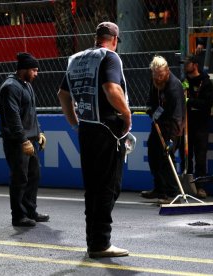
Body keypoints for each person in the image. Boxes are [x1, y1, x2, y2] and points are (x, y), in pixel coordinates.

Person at [58, 22, 131, 258]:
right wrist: (127, 114)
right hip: (107, 130)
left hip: (87, 129)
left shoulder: (76, 59)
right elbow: (111, 88)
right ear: (115, 39)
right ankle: (101, 243)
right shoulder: (110, 57)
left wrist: (74, 124)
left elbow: (63, 95)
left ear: (96, 36)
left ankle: (94, 241)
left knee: (93, 188)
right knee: (109, 187)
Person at [0, 52, 49, 227]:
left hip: (30, 139)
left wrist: (38, 132)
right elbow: (13, 118)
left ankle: (30, 211)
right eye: (34, 70)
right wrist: (23, 140)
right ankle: (19, 216)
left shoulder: (26, 84)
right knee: (20, 178)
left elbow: (30, 113)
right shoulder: (10, 87)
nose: (36, 73)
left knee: (34, 175)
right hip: (17, 142)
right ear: (23, 69)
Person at [141, 56, 185, 201]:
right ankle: (159, 189)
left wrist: (172, 139)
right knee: (153, 155)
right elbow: (151, 101)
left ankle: (172, 193)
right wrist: (151, 110)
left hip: (173, 127)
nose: (158, 78)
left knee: (167, 159)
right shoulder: (155, 81)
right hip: (158, 124)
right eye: (155, 74)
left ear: (167, 71)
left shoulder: (174, 86)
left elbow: (177, 115)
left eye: (160, 74)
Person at [179, 55, 213, 198]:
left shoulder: (206, 83)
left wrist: (189, 101)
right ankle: (186, 185)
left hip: (201, 125)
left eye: (187, 63)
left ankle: (200, 187)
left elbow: (207, 104)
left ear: (195, 65)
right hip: (186, 124)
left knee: (200, 157)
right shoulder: (183, 82)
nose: (185, 66)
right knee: (185, 156)